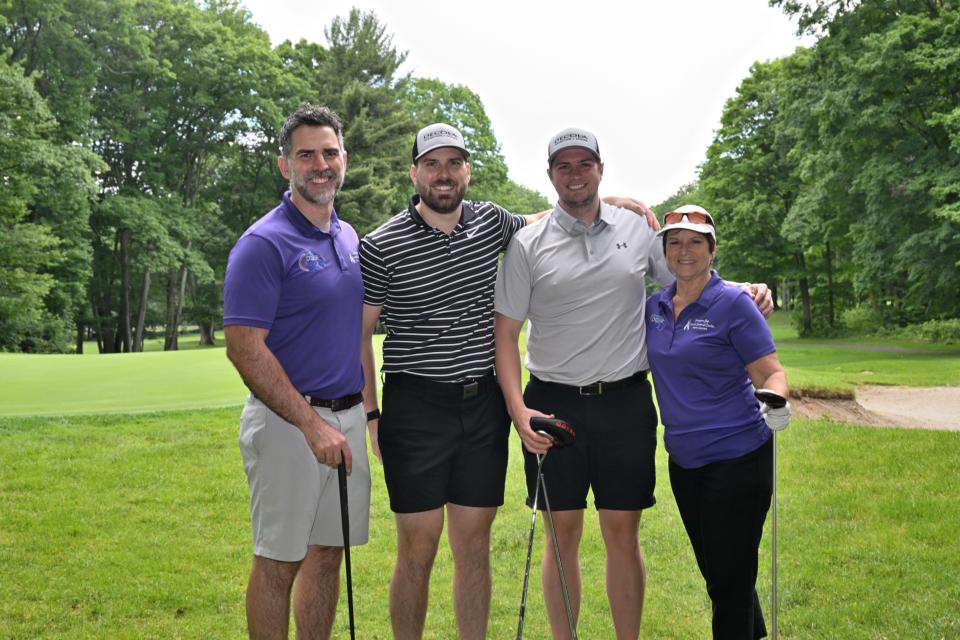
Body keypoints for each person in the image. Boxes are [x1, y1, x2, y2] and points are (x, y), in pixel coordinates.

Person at [358, 123, 657, 640]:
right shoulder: (382, 245)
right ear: (414, 172)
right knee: (418, 545)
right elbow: (358, 335)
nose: (444, 174)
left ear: (467, 170)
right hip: (415, 405)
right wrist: (371, 415)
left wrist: (616, 200)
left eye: (454, 163)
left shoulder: (492, 222)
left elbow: (558, 211)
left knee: (474, 546)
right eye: (432, 164)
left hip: (481, 406)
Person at [493, 128, 773, 639]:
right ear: (550, 175)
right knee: (562, 536)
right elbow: (506, 336)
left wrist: (744, 290)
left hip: (625, 402)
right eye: (564, 166)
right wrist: (518, 410)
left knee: (623, 533)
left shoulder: (639, 229)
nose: (575, 174)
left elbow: (690, 279)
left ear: (601, 168)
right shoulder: (526, 242)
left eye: (585, 164)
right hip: (553, 401)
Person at [223, 104, 369, 640]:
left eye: (329, 153)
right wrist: (311, 424)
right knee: (278, 562)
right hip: (290, 426)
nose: (320, 164)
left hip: (345, 420)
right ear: (285, 165)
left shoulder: (348, 237)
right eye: (306, 154)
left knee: (327, 554)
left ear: (344, 159)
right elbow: (244, 349)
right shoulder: (263, 244)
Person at [644, 204, 790, 639]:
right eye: (674, 243)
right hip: (685, 463)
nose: (683, 251)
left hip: (738, 458)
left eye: (694, 242)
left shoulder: (734, 303)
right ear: (665, 252)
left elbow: (771, 373)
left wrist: (777, 401)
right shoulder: (654, 306)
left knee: (728, 583)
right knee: (724, 576)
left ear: (712, 250)